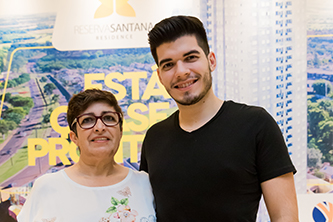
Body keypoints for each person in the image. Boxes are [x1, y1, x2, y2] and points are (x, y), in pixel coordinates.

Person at [139, 15, 299, 221]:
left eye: (191, 58)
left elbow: (285, 217)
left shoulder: (256, 124)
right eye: (168, 64)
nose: (181, 72)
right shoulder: (154, 137)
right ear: (160, 76)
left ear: (211, 61)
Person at [18, 89, 156, 222]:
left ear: (120, 131)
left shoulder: (145, 184)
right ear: (74, 137)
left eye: (108, 118)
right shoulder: (46, 187)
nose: (100, 127)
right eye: (87, 120)